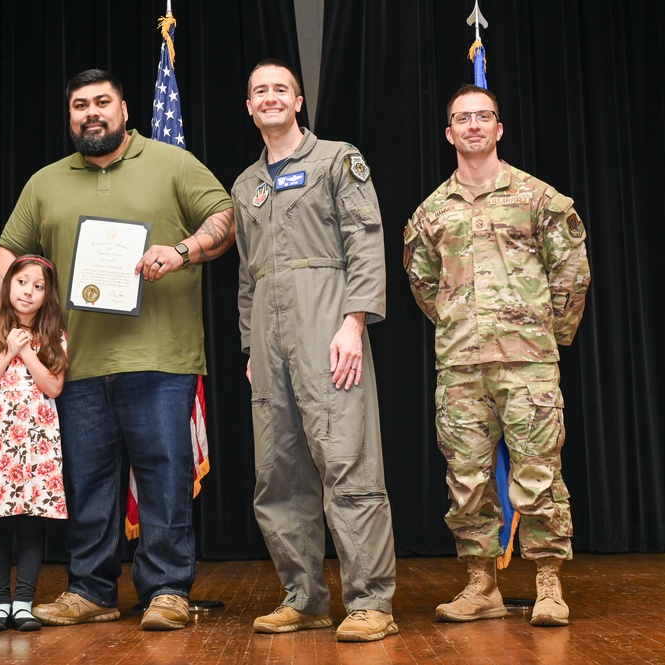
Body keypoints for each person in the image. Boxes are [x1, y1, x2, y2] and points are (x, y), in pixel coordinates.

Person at [0, 69, 235, 631]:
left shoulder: (171, 163)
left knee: (164, 477)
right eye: (80, 106)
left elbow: (227, 217)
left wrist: (183, 250)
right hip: (75, 363)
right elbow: (8, 251)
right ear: (70, 118)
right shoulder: (46, 183)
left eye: (102, 102)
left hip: (159, 356)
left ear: (124, 109)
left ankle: (166, 592)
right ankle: (91, 589)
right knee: (87, 482)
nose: (92, 112)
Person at [403, 84, 591, 627]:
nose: (474, 127)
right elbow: (423, 282)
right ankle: (481, 585)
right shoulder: (430, 213)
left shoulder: (539, 199)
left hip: (528, 363)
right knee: (466, 480)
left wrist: (544, 336)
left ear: (499, 128)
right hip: (461, 367)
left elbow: (571, 273)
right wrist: (463, 327)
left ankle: (549, 584)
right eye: (463, 119)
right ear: (449, 133)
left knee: (538, 475)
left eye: (484, 117)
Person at [232, 59, 398, 643]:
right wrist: (252, 346)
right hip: (268, 339)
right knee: (278, 472)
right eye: (260, 92)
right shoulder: (245, 186)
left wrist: (354, 323)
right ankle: (304, 598)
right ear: (248, 108)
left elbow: (365, 239)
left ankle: (371, 601)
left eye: (281, 89)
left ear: (298, 101)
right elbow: (248, 276)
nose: (271, 98)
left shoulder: (336, 159)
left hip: (326, 325)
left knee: (347, 463)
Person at [0, 254, 68, 632]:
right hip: (0, 442)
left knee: (30, 527)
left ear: (47, 296)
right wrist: (7, 350)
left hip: (36, 443)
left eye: (38, 286)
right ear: (8, 286)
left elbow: (54, 386)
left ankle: (23, 601)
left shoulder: (55, 335)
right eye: (22, 282)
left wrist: (26, 350)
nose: (28, 291)